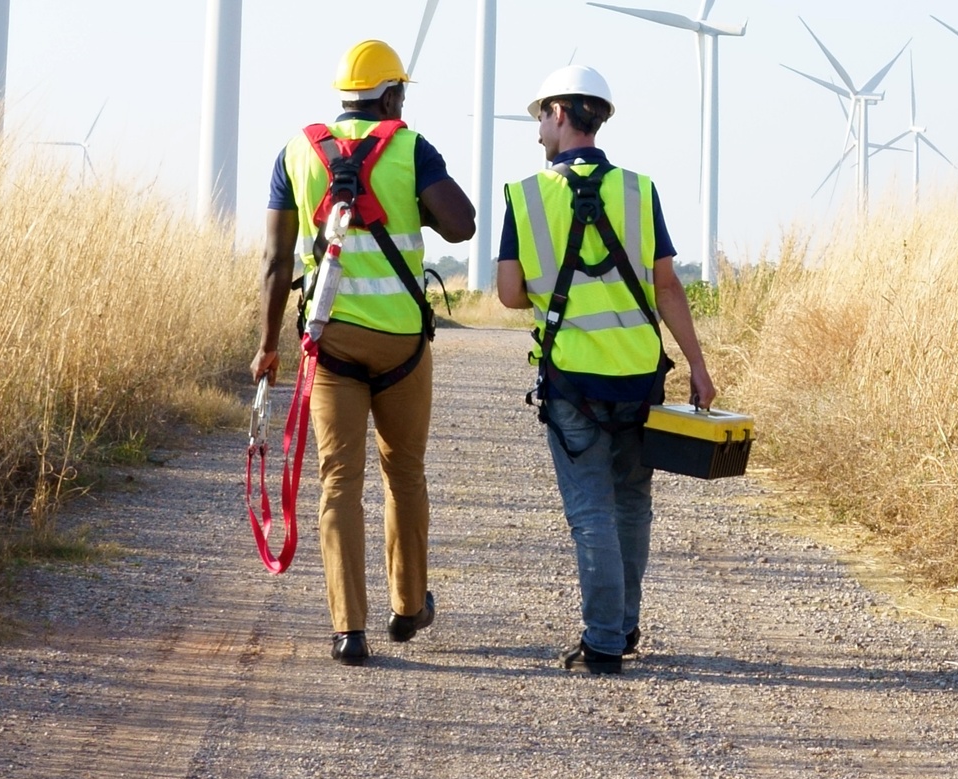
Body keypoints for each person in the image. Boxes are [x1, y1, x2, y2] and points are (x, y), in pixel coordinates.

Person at [254, 37, 476, 665]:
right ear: (392, 95)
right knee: (403, 473)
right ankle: (408, 608)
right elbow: (462, 224)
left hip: (330, 346)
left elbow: (275, 260)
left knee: (338, 480)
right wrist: (414, 202)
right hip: (402, 344)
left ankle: (347, 628)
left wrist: (268, 348)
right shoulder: (410, 147)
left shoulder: (296, 152)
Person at [492, 59, 719, 673]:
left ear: (560, 114)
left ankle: (603, 643)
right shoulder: (641, 190)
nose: (538, 131)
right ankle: (622, 626)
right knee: (631, 506)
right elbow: (668, 288)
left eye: (540, 117)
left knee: (590, 510)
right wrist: (698, 366)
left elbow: (510, 295)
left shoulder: (526, 196)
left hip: (572, 380)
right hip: (640, 377)